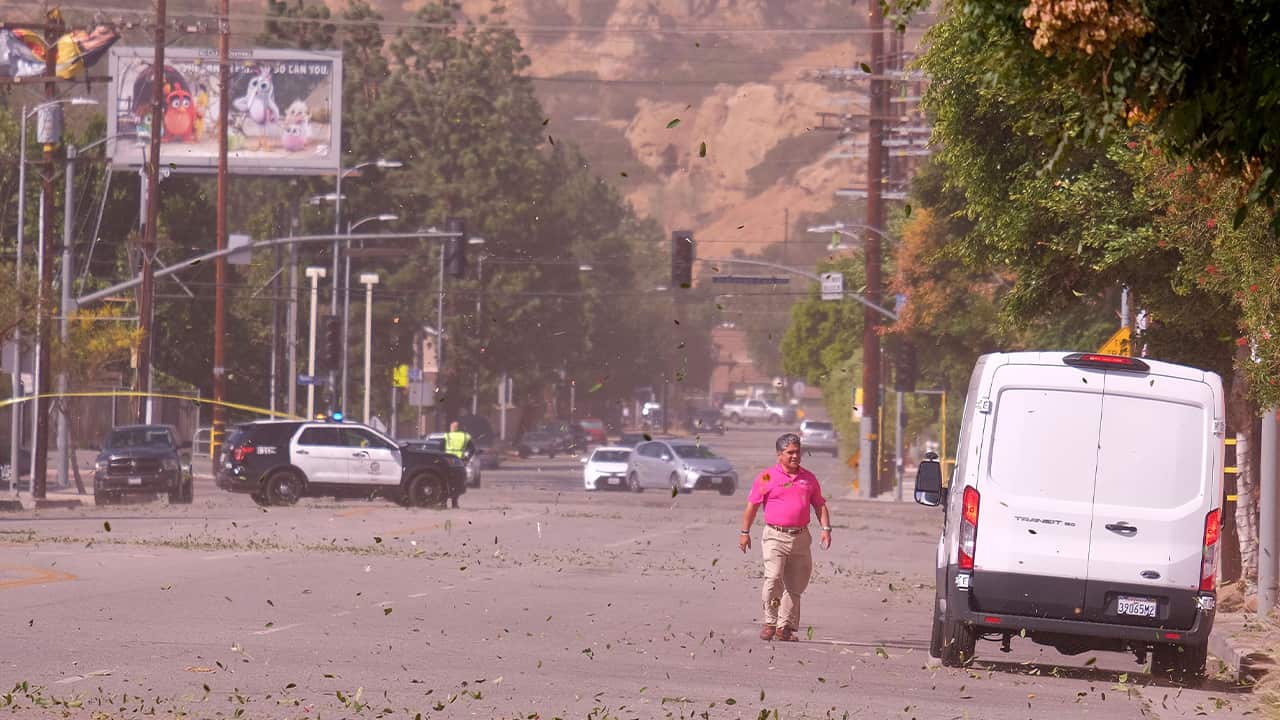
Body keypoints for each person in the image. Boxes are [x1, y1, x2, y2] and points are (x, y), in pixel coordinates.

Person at [738, 432, 832, 642]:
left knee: (796, 586)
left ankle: (785, 627)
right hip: (775, 536)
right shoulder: (767, 477)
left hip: (800, 538)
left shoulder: (809, 478)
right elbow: (752, 506)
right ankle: (770, 622)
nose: (795, 456)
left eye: (797, 452)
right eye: (790, 453)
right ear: (779, 454)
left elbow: (819, 504)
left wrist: (826, 528)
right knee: (773, 578)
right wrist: (745, 533)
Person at [442, 421, 474, 509]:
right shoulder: (465, 436)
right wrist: (466, 458)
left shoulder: (447, 436)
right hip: (459, 462)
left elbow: (440, 449)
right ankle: (454, 503)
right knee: (457, 483)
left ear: (452, 428)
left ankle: (443, 502)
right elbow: (472, 449)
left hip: (447, 462)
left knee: (445, 482)